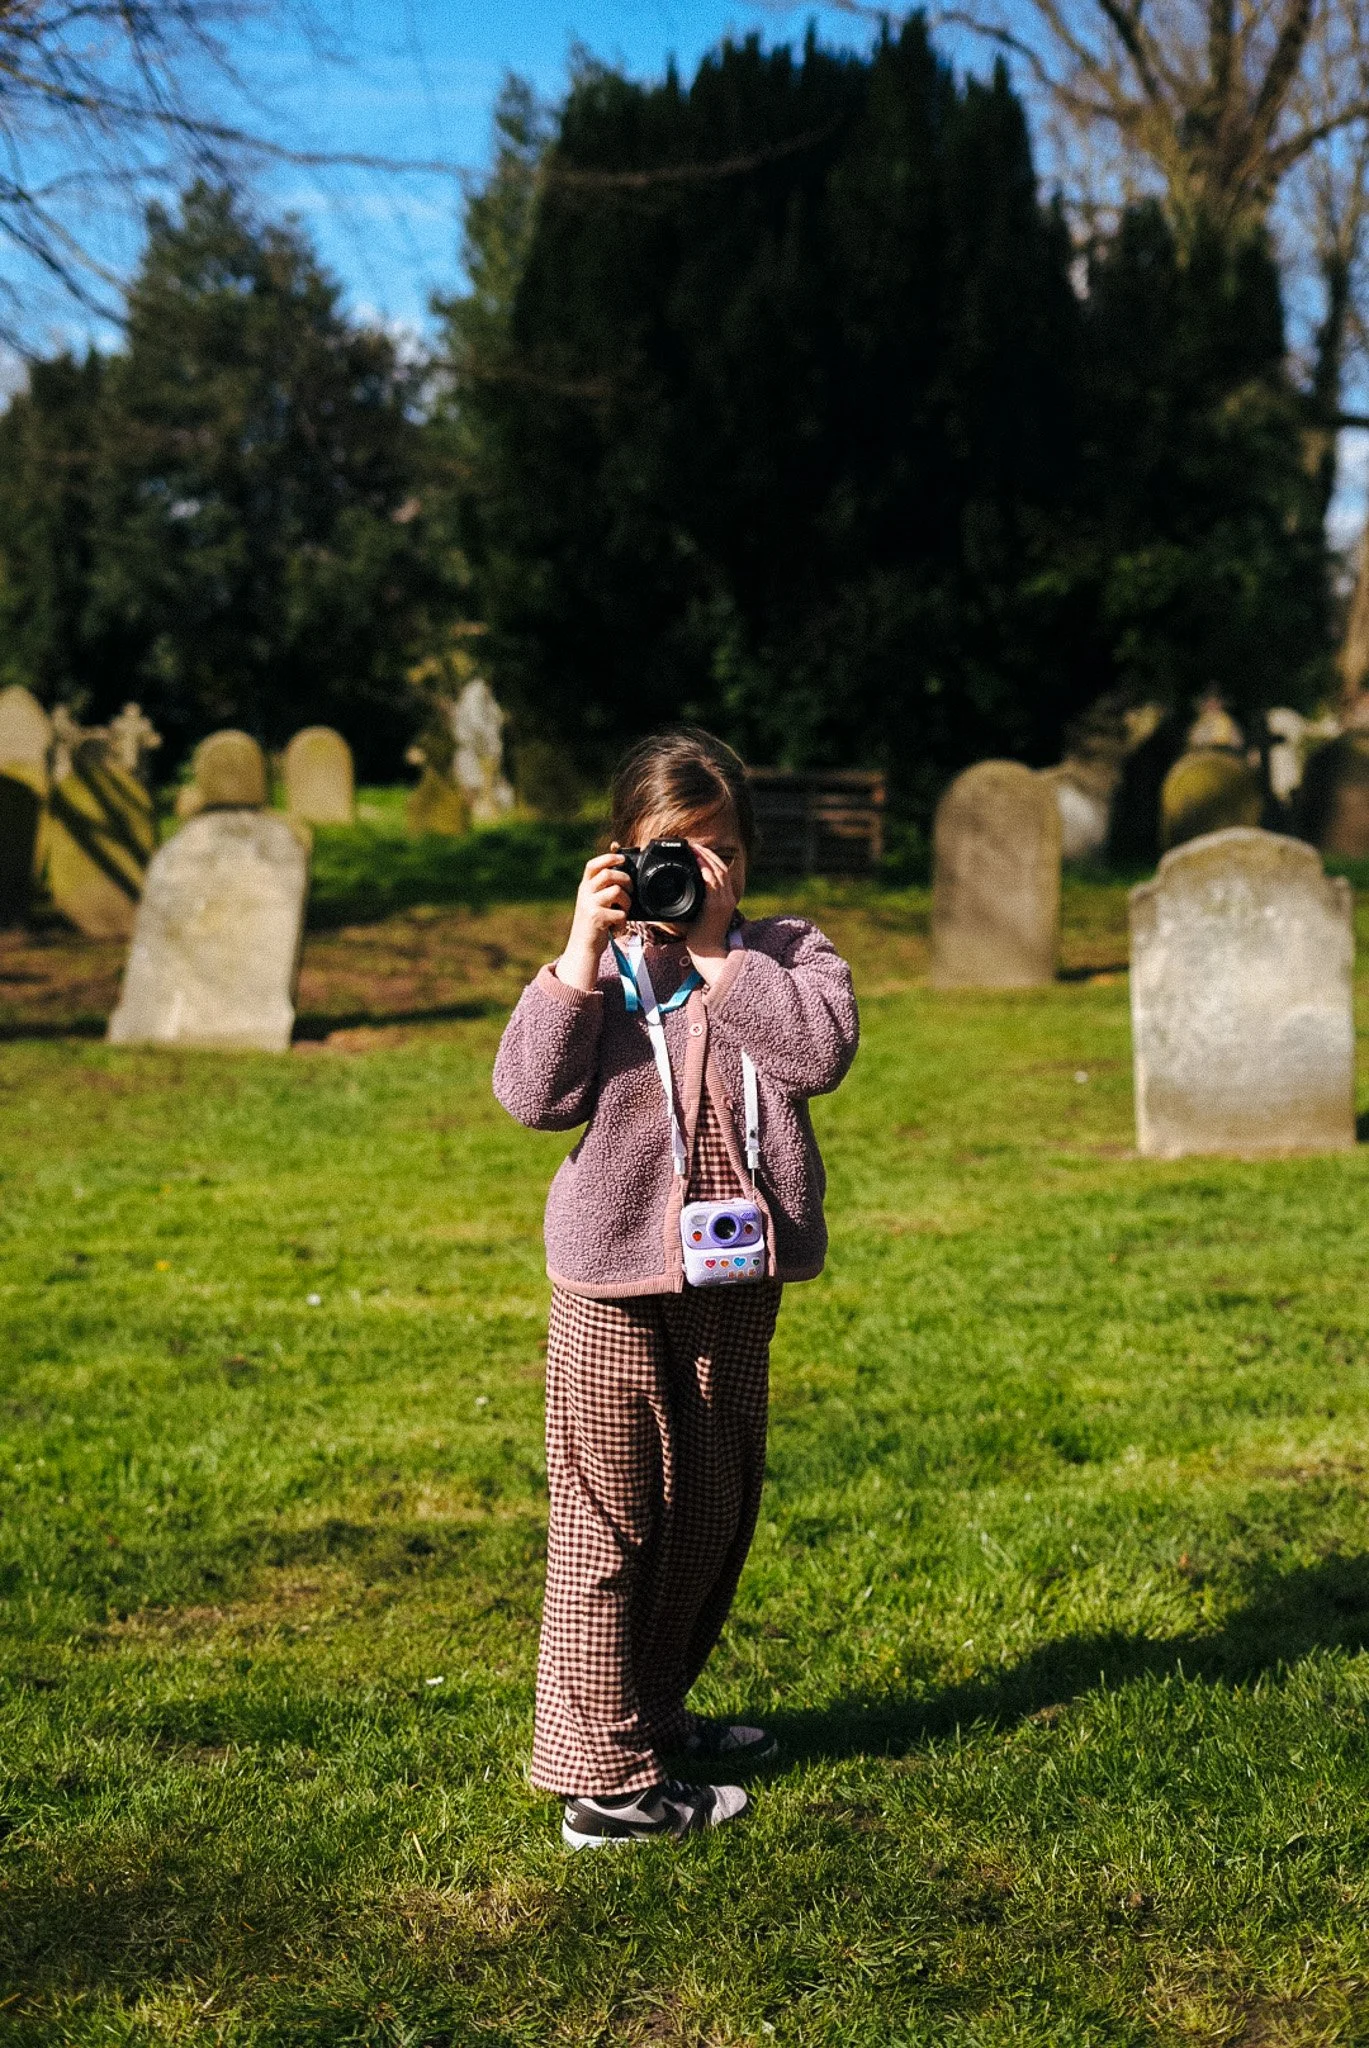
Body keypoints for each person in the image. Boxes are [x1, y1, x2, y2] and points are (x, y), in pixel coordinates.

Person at [493, 727, 858, 1848]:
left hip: (736, 1273)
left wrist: (717, 950)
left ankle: (649, 1712)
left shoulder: (790, 953)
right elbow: (530, 1096)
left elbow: (815, 1055)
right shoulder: (596, 975)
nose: (701, 875)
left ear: (745, 859)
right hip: (611, 1272)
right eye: (671, 852)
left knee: (709, 1505)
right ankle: (604, 1780)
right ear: (619, 854)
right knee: (609, 1512)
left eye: (723, 853)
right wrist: (577, 953)